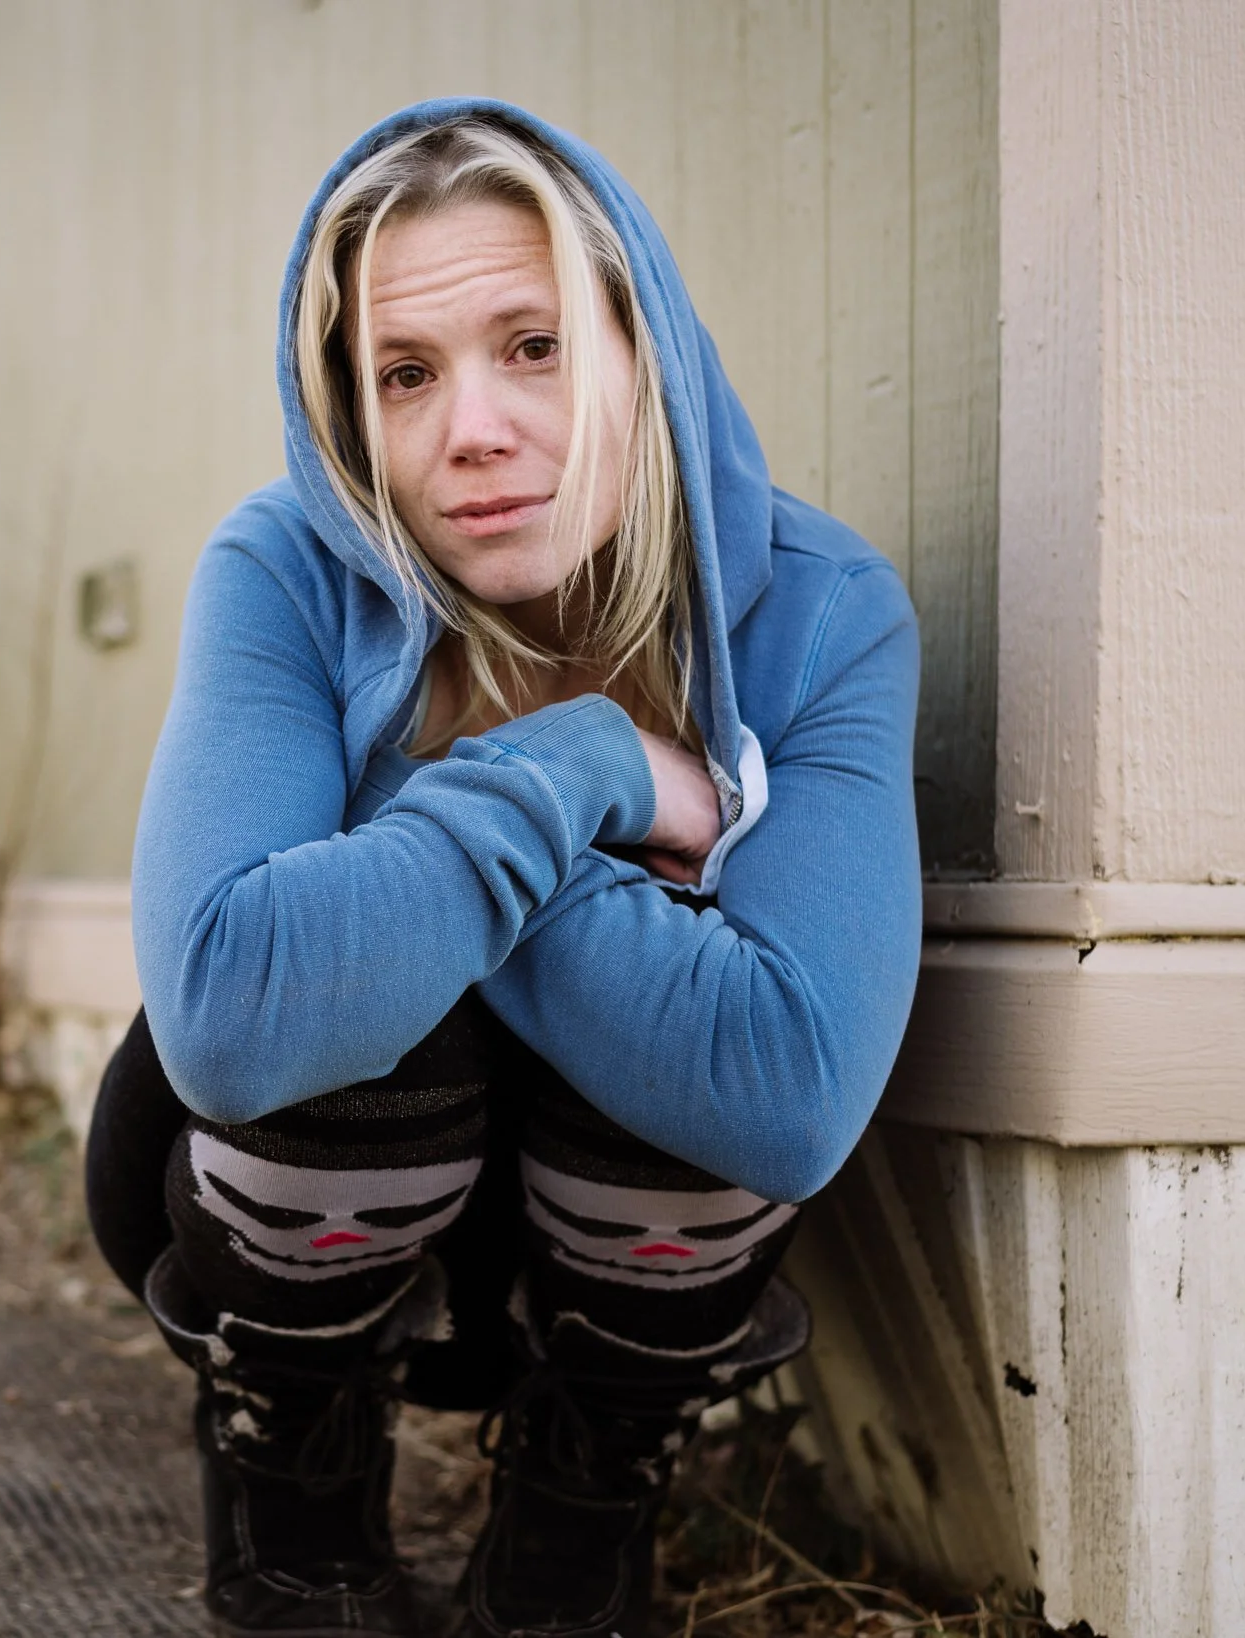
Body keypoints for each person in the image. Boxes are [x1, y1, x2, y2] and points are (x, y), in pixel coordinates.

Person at [86, 99, 921, 1638]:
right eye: (405, 374)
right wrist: (584, 765)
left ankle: (584, 1490)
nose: (470, 428)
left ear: (637, 342)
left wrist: (411, 842)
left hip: (621, 1237)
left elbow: (790, 1089)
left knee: (614, 1000)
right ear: (349, 415)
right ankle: (299, 1466)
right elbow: (226, 1007)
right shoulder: (288, 569)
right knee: (337, 1007)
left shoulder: (818, 612)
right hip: (320, 1196)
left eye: (531, 345)